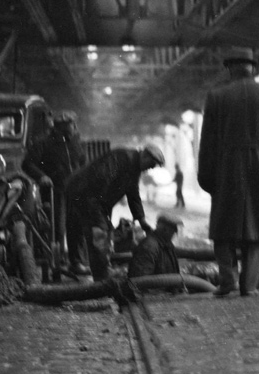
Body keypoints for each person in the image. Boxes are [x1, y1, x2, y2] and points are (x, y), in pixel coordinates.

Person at [198, 47, 259, 298]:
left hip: (227, 167)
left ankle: (228, 281)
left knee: (223, 227)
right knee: (257, 227)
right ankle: (249, 285)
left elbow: (207, 143)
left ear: (229, 68)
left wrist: (206, 177)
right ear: (252, 67)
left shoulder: (216, 96)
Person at [65, 144, 163, 281]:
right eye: (151, 164)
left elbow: (133, 194)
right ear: (145, 155)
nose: (150, 168)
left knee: (98, 231)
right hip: (85, 193)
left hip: (96, 199)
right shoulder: (122, 157)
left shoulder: (135, 167)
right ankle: (100, 277)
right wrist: (101, 215)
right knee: (98, 232)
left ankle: (95, 270)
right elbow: (100, 181)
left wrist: (141, 219)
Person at [23, 110, 87, 275]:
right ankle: (58, 263)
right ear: (59, 128)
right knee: (57, 228)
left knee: (77, 226)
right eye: (70, 126)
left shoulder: (76, 143)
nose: (73, 129)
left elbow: (82, 162)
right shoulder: (43, 143)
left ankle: (76, 262)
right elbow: (28, 164)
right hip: (55, 191)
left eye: (73, 125)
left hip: (76, 190)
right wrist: (42, 176)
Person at [127, 214, 183, 278]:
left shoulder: (167, 244)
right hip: (155, 287)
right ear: (165, 230)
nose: (174, 234)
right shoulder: (149, 247)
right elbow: (140, 279)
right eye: (174, 231)